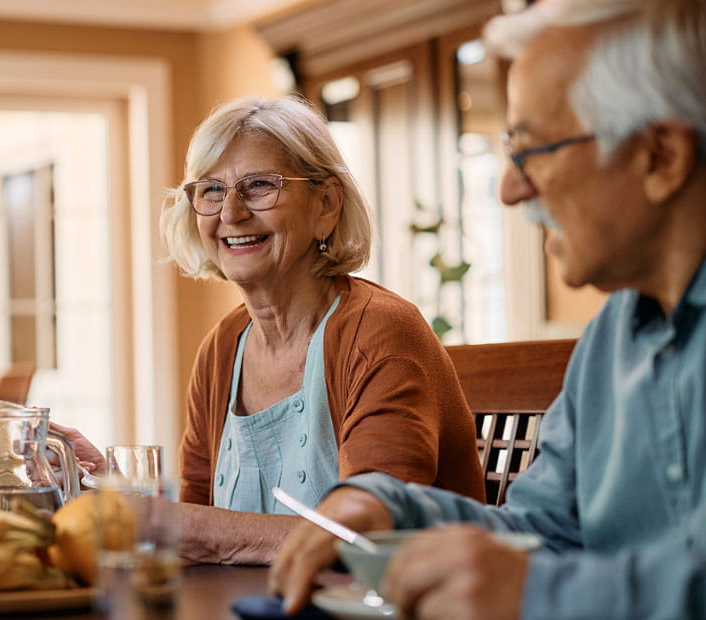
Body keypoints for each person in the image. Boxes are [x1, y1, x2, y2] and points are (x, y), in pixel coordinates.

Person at [271, 0, 706, 618]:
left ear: (661, 156)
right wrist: (391, 506)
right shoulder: (613, 337)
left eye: (532, 150)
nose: (508, 189)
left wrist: (539, 593)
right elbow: (544, 529)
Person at [112, 94, 485, 565]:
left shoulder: (381, 332)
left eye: (259, 186)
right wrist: (105, 485)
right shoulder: (223, 347)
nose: (231, 213)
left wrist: (169, 521)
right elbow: (195, 530)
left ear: (326, 203)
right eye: (211, 190)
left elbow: (374, 535)